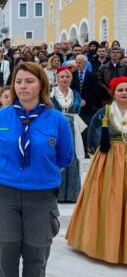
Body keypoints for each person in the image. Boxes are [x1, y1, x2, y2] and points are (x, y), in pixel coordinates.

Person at [0, 62, 73, 277]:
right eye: (19, 81)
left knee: (36, 259)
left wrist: (37, 176)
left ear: (42, 83)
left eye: (29, 81)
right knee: (6, 258)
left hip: (41, 199)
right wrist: (10, 173)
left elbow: (64, 159)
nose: (23, 86)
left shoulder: (57, 121)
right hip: (4, 196)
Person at [66, 77, 127, 264]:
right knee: (107, 197)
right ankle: (100, 242)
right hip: (108, 160)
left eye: (126, 90)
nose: (124, 93)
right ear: (113, 93)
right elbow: (93, 135)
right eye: (120, 90)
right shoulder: (104, 112)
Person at [50, 67, 85, 203]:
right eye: (62, 76)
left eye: (67, 77)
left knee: (73, 157)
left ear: (71, 79)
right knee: (56, 155)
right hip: (56, 125)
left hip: (72, 125)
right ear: (57, 78)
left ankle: (72, 194)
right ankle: (57, 193)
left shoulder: (75, 94)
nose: (65, 79)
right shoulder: (51, 93)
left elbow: (77, 110)